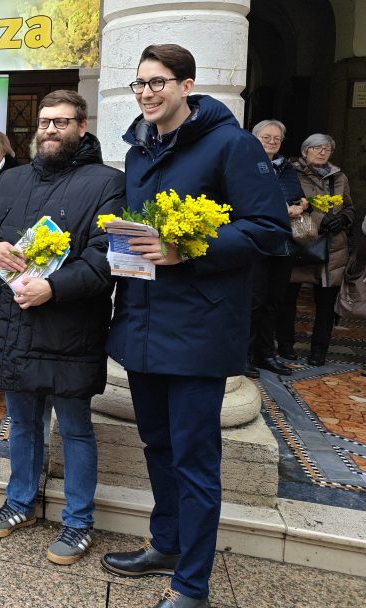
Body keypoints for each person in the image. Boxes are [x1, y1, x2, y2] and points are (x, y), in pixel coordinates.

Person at [101, 44, 289, 608]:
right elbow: (142, 231)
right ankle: (166, 545)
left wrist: (185, 248)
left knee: (195, 460)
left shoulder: (232, 144)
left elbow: (268, 229)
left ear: (187, 85)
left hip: (199, 330)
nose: (146, 93)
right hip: (143, 322)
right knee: (157, 444)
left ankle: (192, 586)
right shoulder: (138, 150)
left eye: (158, 82)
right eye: (139, 83)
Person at [0, 90, 125, 565]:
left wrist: (53, 288)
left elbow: (105, 258)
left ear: (82, 126)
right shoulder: (11, 180)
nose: (49, 130)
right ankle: (20, 503)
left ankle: (78, 522)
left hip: (69, 328)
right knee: (22, 422)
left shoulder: (108, 182)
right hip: (13, 322)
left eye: (61, 122)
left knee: (74, 428)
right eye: (44, 122)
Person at [276, 134, 355, 366]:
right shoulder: (290, 172)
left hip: (333, 247)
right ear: (305, 151)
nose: (322, 152)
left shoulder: (339, 176)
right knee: (288, 297)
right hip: (301, 240)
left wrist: (344, 219)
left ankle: (319, 351)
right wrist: (320, 219)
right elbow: (287, 203)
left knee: (326, 302)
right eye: (316, 148)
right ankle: (285, 345)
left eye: (327, 148)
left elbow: (349, 207)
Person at [246, 119, 306, 377]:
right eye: (266, 137)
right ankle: (243, 355)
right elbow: (245, 199)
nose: (272, 142)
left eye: (277, 138)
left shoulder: (286, 167)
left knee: (273, 302)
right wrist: (282, 209)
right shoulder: (245, 164)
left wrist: (302, 205)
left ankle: (265, 354)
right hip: (257, 242)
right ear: (254, 139)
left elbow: (297, 194)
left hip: (284, 243)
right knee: (254, 302)